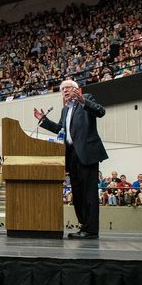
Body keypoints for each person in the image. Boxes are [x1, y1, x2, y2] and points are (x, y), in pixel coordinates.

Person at [34, 79, 108, 239]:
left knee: (89, 194)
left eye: (68, 88)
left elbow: (101, 112)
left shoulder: (86, 99)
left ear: (77, 90)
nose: (65, 91)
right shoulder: (65, 110)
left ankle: (91, 230)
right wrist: (43, 120)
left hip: (87, 154)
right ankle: (83, 226)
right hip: (71, 155)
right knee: (78, 194)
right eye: (63, 90)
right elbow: (59, 129)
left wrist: (83, 100)